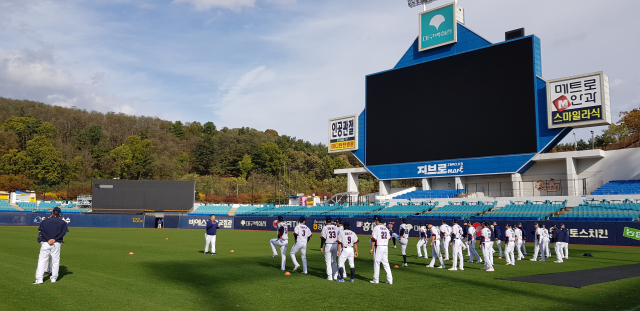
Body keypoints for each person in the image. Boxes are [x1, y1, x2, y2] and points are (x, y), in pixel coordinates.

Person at [34, 207, 69, 284]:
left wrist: (48, 240)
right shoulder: (63, 222)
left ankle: (39, 279)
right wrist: (55, 240)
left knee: (42, 261)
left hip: (46, 243)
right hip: (56, 243)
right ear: (59, 214)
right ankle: (53, 279)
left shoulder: (45, 221)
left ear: (52, 213)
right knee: (55, 261)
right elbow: (63, 233)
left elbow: (42, 231)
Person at [369, 215, 392, 284]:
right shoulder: (385, 228)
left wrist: (372, 248)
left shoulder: (376, 228)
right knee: (386, 263)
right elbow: (389, 238)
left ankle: (376, 280)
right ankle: (390, 280)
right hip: (385, 247)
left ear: (377, 220)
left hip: (379, 247)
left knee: (377, 263)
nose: (374, 221)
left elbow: (373, 239)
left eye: (375, 220)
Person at [321, 216, 339, 281]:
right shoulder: (336, 227)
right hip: (335, 245)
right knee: (334, 261)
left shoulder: (325, 228)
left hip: (328, 245)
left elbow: (323, 238)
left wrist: (321, 247)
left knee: (328, 262)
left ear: (325, 221)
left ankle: (329, 277)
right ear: (331, 221)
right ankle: (335, 276)